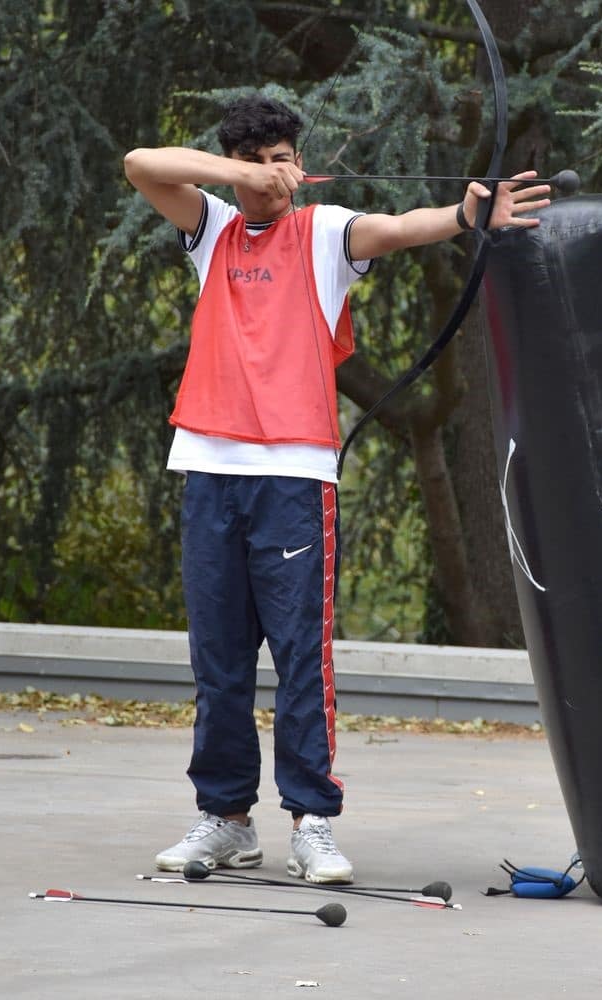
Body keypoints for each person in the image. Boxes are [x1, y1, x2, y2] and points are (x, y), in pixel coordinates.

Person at [124, 93, 549, 883]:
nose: (275, 173)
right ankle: (224, 819)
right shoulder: (210, 226)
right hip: (209, 470)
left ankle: (312, 820)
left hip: (293, 477)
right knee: (217, 662)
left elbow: (395, 229)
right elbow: (141, 166)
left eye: (286, 158)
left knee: (299, 659)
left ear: (302, 165)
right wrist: (237, 179)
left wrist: (464, 215)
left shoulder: (323, 233)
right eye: (260, 159)